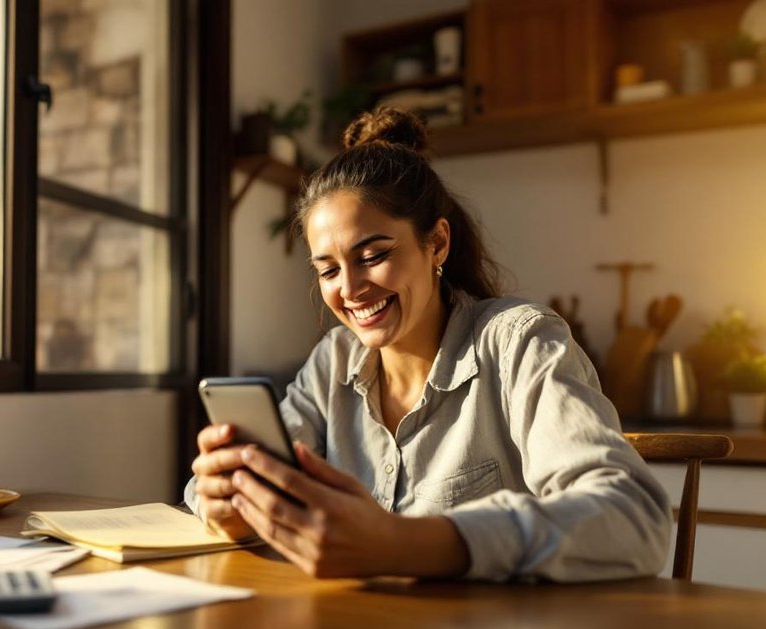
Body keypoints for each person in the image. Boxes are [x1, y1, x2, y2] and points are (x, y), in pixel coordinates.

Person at [185, 108, 671, 582]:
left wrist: (402, 543)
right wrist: (229, 501)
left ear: (437, 244)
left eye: (373, 255)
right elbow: (226, 490)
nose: (350, 289)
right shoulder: (332, 362)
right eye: (328, 270)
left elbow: (633, 519)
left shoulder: (519, 343)